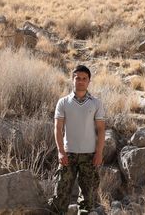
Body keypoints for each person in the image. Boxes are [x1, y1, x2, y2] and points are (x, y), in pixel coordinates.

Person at [48, 65, 106, 214]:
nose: (80, 81)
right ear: (72, 80)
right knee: (60, 194)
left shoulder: (96, 103)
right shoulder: (63, 102)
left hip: (90, 156)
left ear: (89, 81)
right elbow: (57, 128)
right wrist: (61, 152)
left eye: (84, 79)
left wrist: (99, 153)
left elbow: (100, 129)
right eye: (77, 78)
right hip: (68, 154)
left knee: (88, 198)